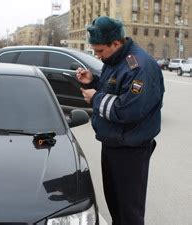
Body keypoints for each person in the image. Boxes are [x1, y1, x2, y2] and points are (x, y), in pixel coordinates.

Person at [76, 16, 164, 225]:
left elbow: (128, 110)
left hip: (130, 150)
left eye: (100, 51)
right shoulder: (115, 60)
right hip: (113, 144)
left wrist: (95, 98)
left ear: (116, 43)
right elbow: (115, 89)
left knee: (129, 211)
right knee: (116, 205)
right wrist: (94, 81)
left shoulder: (140, 67)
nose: (98, 56)